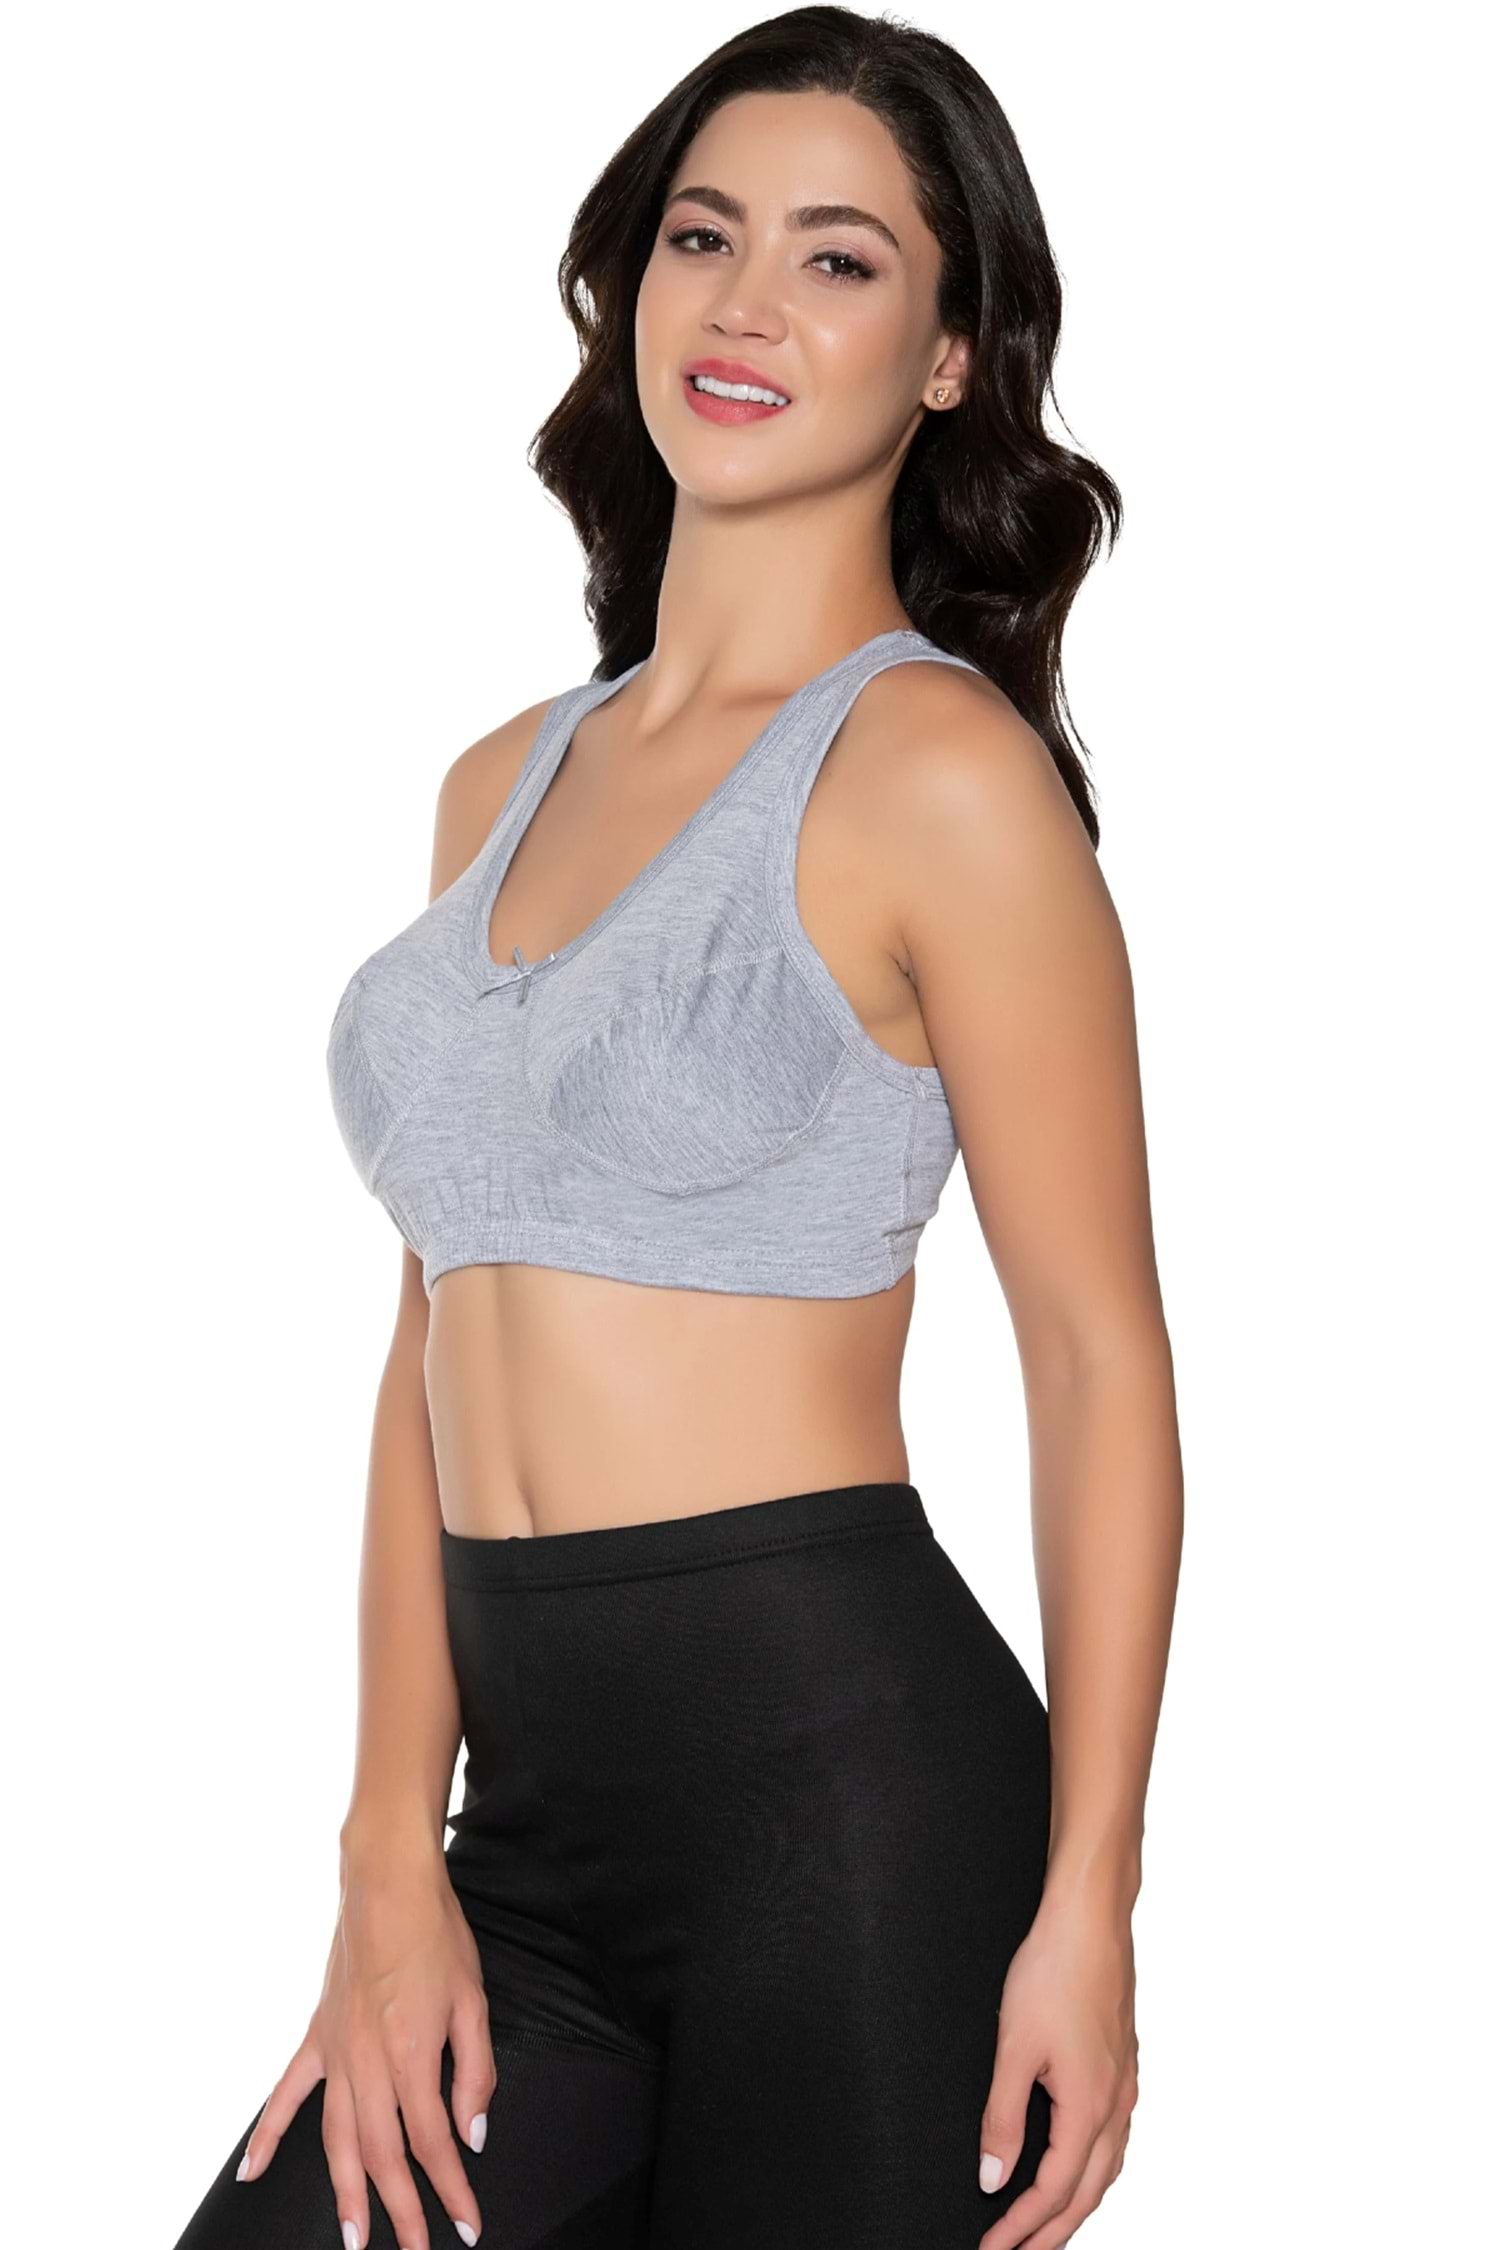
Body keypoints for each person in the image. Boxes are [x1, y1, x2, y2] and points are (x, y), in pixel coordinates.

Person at [172, 9, 1181, 2247]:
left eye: (840, 260)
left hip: (846, 1809)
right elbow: (431, 1339)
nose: (745, 304)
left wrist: (1092, 1899)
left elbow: (1097, 1357)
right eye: (705, 237)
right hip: (519, 1844)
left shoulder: (942, 780)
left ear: (949, 356)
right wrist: (385, 1853)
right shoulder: (498, 780)